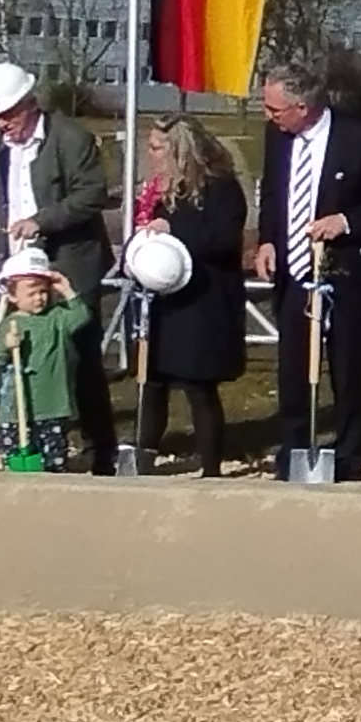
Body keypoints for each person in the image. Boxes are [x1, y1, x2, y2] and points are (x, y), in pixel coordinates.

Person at [250, 63, 361, 481]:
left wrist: (346, 220)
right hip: (294, 271)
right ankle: (293, 447)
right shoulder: (278, 136)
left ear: (302, 107)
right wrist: (268, 239)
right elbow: (274, 191)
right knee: (293, 365)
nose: (268, 116)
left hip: (347, 271)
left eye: (275, 109)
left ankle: (351, 450)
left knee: (346, 365)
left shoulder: (359, 139)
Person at [0, 61, 119, 474]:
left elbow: (92, 194)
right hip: (14, 264)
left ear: (30, 104)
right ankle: (28, 441)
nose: (2, 124)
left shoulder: (70, 138)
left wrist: (42, 220)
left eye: (8, 114)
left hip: (67, 261)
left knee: (78, 354)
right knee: (17, 352)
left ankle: (99, 446)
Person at [133, 116, 250, 476]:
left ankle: (211, 468)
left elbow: (224, 240)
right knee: (151, 381)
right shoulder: (162, 190)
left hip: (205, 300)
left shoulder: (222, 188)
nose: (149, 154)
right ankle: (141, 460)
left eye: (156, 147)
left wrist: (175, 230)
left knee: (199, 386)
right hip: (165, 300)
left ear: (180, 150)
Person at [0, 245, 84, 469]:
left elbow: (81, 315)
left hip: (52, 403)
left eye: (43, 292)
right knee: (16, 456)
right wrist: (6, 346)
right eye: (31, 293)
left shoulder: (57, 318)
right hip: (16, 407)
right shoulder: (9, 324)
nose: (39, 298)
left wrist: (67, 290)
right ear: (12, 295)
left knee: (53, 458)